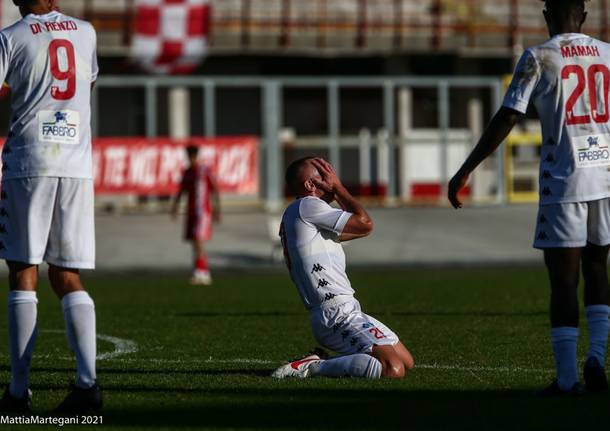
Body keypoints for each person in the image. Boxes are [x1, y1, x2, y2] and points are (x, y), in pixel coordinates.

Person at [448, 0, 609, 396]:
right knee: (599, 270)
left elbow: (508, 116)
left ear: (547, 16)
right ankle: (598, 358)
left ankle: (568, 380)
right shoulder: (608, 53)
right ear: (585, 17)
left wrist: (467, 167)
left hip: (565, 180)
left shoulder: (539, 57)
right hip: (606, 177)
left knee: (564, 280)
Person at [0, 0, 102, 413]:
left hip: (30, 161)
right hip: (76, 163)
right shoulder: (86, 31)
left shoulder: (10, 37)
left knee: (23, 270)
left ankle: (18, 392)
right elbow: (87, 82)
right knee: (66, 273)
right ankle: (87, 387)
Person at [272, 157, 414, 379]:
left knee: (406, 361)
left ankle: (328, 361)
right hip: (335, 312)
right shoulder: (308, 205)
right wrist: (339, 189)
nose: (332, 179)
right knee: (392, 369)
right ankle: (314, 366)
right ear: (310, 185)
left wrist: (336, 191)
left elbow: (360, 229)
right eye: (326, 175)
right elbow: (365, 223)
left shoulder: (300, 213)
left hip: (342, 310)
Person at [171, 145, 220, 285]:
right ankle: (199, 271)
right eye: (189, 156)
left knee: (199, 240)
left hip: (203, 212)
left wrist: (217, 209)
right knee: (194, 241)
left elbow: (215, 189)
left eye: (193, 156)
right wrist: (175, 207)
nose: (191, 159)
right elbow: (181, 191)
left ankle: (203, 272)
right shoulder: (187, 172)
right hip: (191, 211)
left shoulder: (204, 171)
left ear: (196, 156)